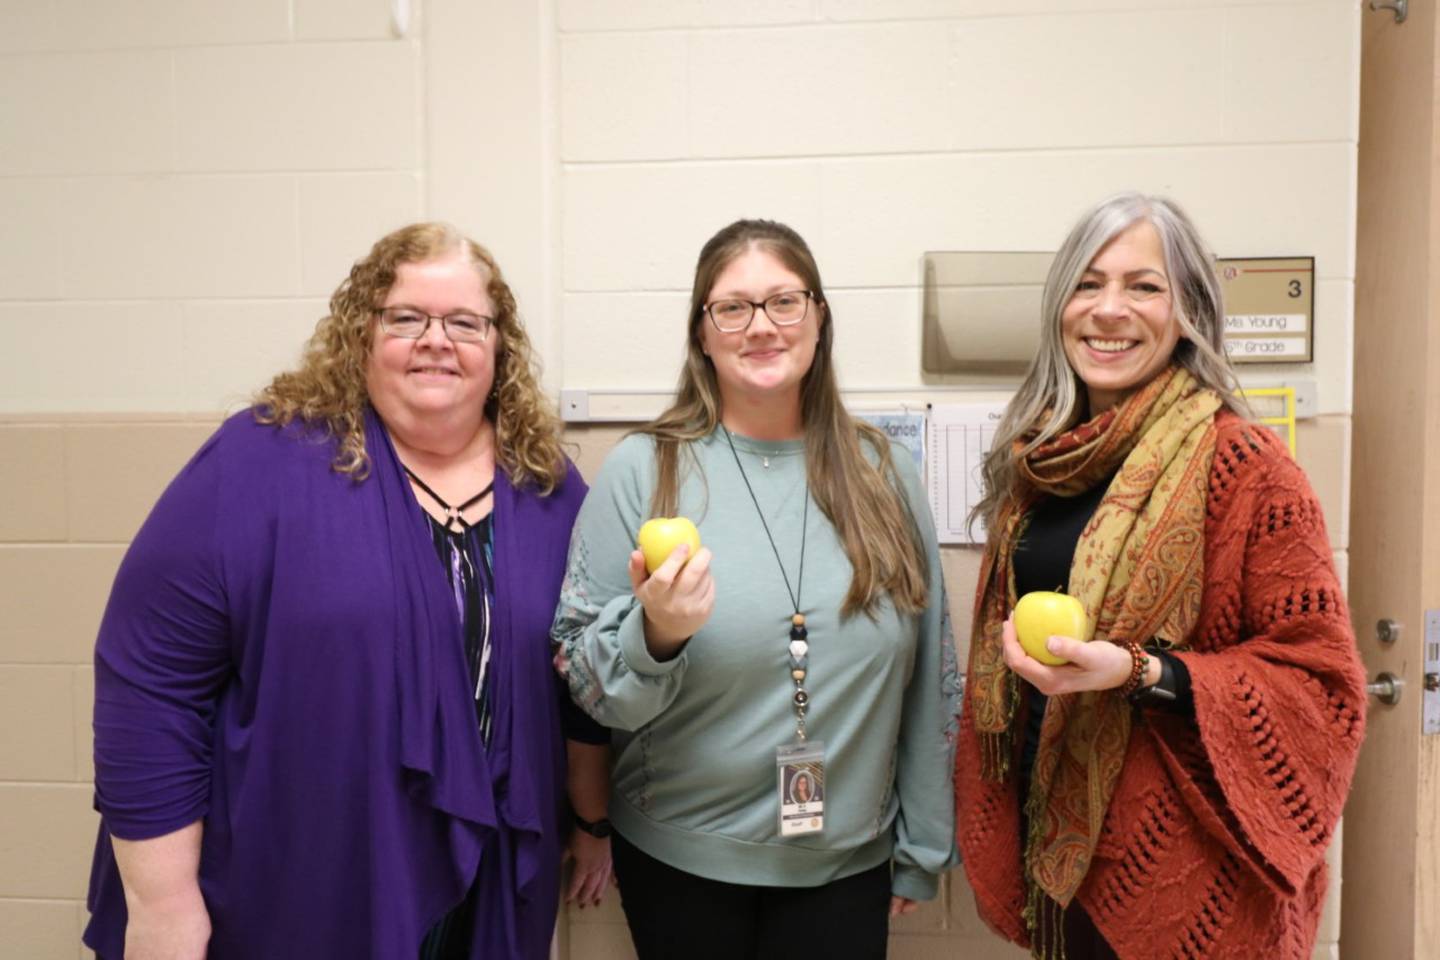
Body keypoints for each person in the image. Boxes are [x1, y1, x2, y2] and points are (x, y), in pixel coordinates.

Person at [83, 223, 611, 960]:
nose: (437, 339)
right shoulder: (260, 461)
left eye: (465, 322)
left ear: (500, 346)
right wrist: (162, 905)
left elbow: (579, 679)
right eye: (406, 318)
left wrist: (590, 824)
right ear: (361, 334)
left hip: (486, 885)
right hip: (299, 886)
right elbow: (150, 681)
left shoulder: (548, 489)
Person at [954, 193, 1367, 959]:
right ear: (1059, 308)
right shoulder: (1039, 465)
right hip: (1063, 856)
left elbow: (1323, 691)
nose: (1109, 309)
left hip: (1193, 870)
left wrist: (1139, 671)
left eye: (1144, 286)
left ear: (1189, 312)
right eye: (1088, 283)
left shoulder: (1247, 467)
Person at [551, 218, 960, 960]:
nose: (760, 326)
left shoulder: (885, 472)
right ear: (701, 335)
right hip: (682, 862)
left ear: (820, 317)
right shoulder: (645, 469)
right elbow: (588, 688)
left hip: (848, 862)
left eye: (783, 302)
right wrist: (657, 635)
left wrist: (925, 841)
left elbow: (931, 674)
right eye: (731, 308)